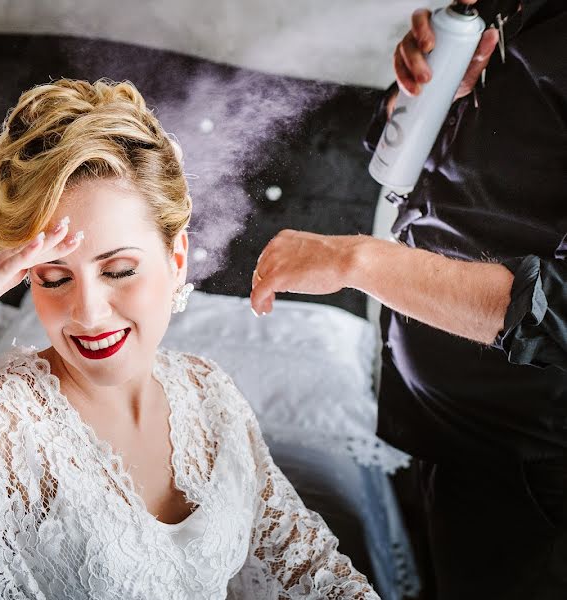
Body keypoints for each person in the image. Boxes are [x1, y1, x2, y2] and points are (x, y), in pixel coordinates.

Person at [0, 78, 378, 599]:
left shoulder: (211, 397)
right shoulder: (2, 422)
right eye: (54, 279)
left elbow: (314, 571)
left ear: (176, 259)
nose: (87, 311)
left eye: (119, 270)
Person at [249, 1, 566, 598]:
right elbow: (437, 176)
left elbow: (561, 309)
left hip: (529, 473)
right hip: (434, 431)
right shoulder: (503, 11)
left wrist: (356, 260)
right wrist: (417, 100)